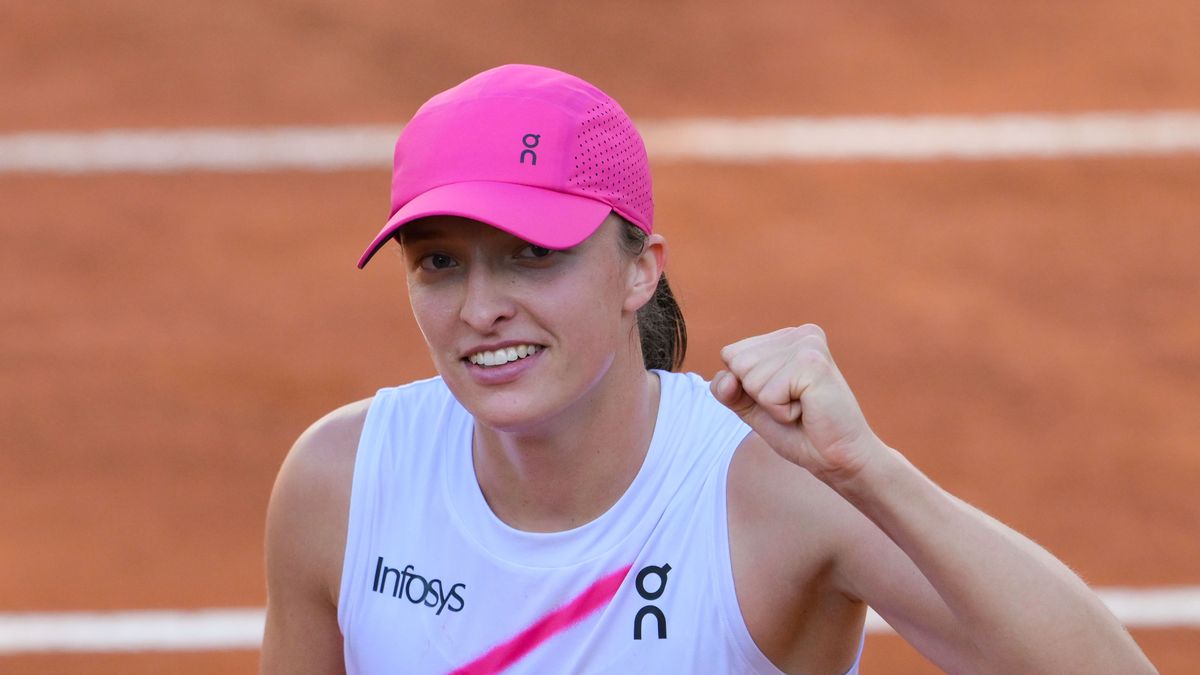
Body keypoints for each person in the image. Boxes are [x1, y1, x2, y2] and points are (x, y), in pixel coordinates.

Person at [261, 64, 1155, 674]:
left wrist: (868, 473)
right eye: (439, 262)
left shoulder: (767, 492)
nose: (479, 306)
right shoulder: (342, 483)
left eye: (533, 254)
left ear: (639, 267)